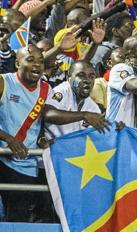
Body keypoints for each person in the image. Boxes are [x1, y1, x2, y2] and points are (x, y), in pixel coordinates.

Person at [0, 45, 109, 222]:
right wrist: (8, 138)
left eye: (41, 61)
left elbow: (41, 122)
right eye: (30, 60)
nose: (37, 65)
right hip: (3, 155)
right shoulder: (4, 82)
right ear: (17, 64)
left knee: (18, 219)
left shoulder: (46, 89)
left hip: (24, 164)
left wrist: (42, 138)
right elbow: (51, 115)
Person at [44, 61, 102, 139]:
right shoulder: (62, 91)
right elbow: (48, 114)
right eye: (81, 75)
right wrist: (84, 115)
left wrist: (116, 130)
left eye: (91, 76)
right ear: (69, 77)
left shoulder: (93, 108)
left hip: (73, 148)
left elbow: (97, 137)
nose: (87, 80)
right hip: (52, 147)